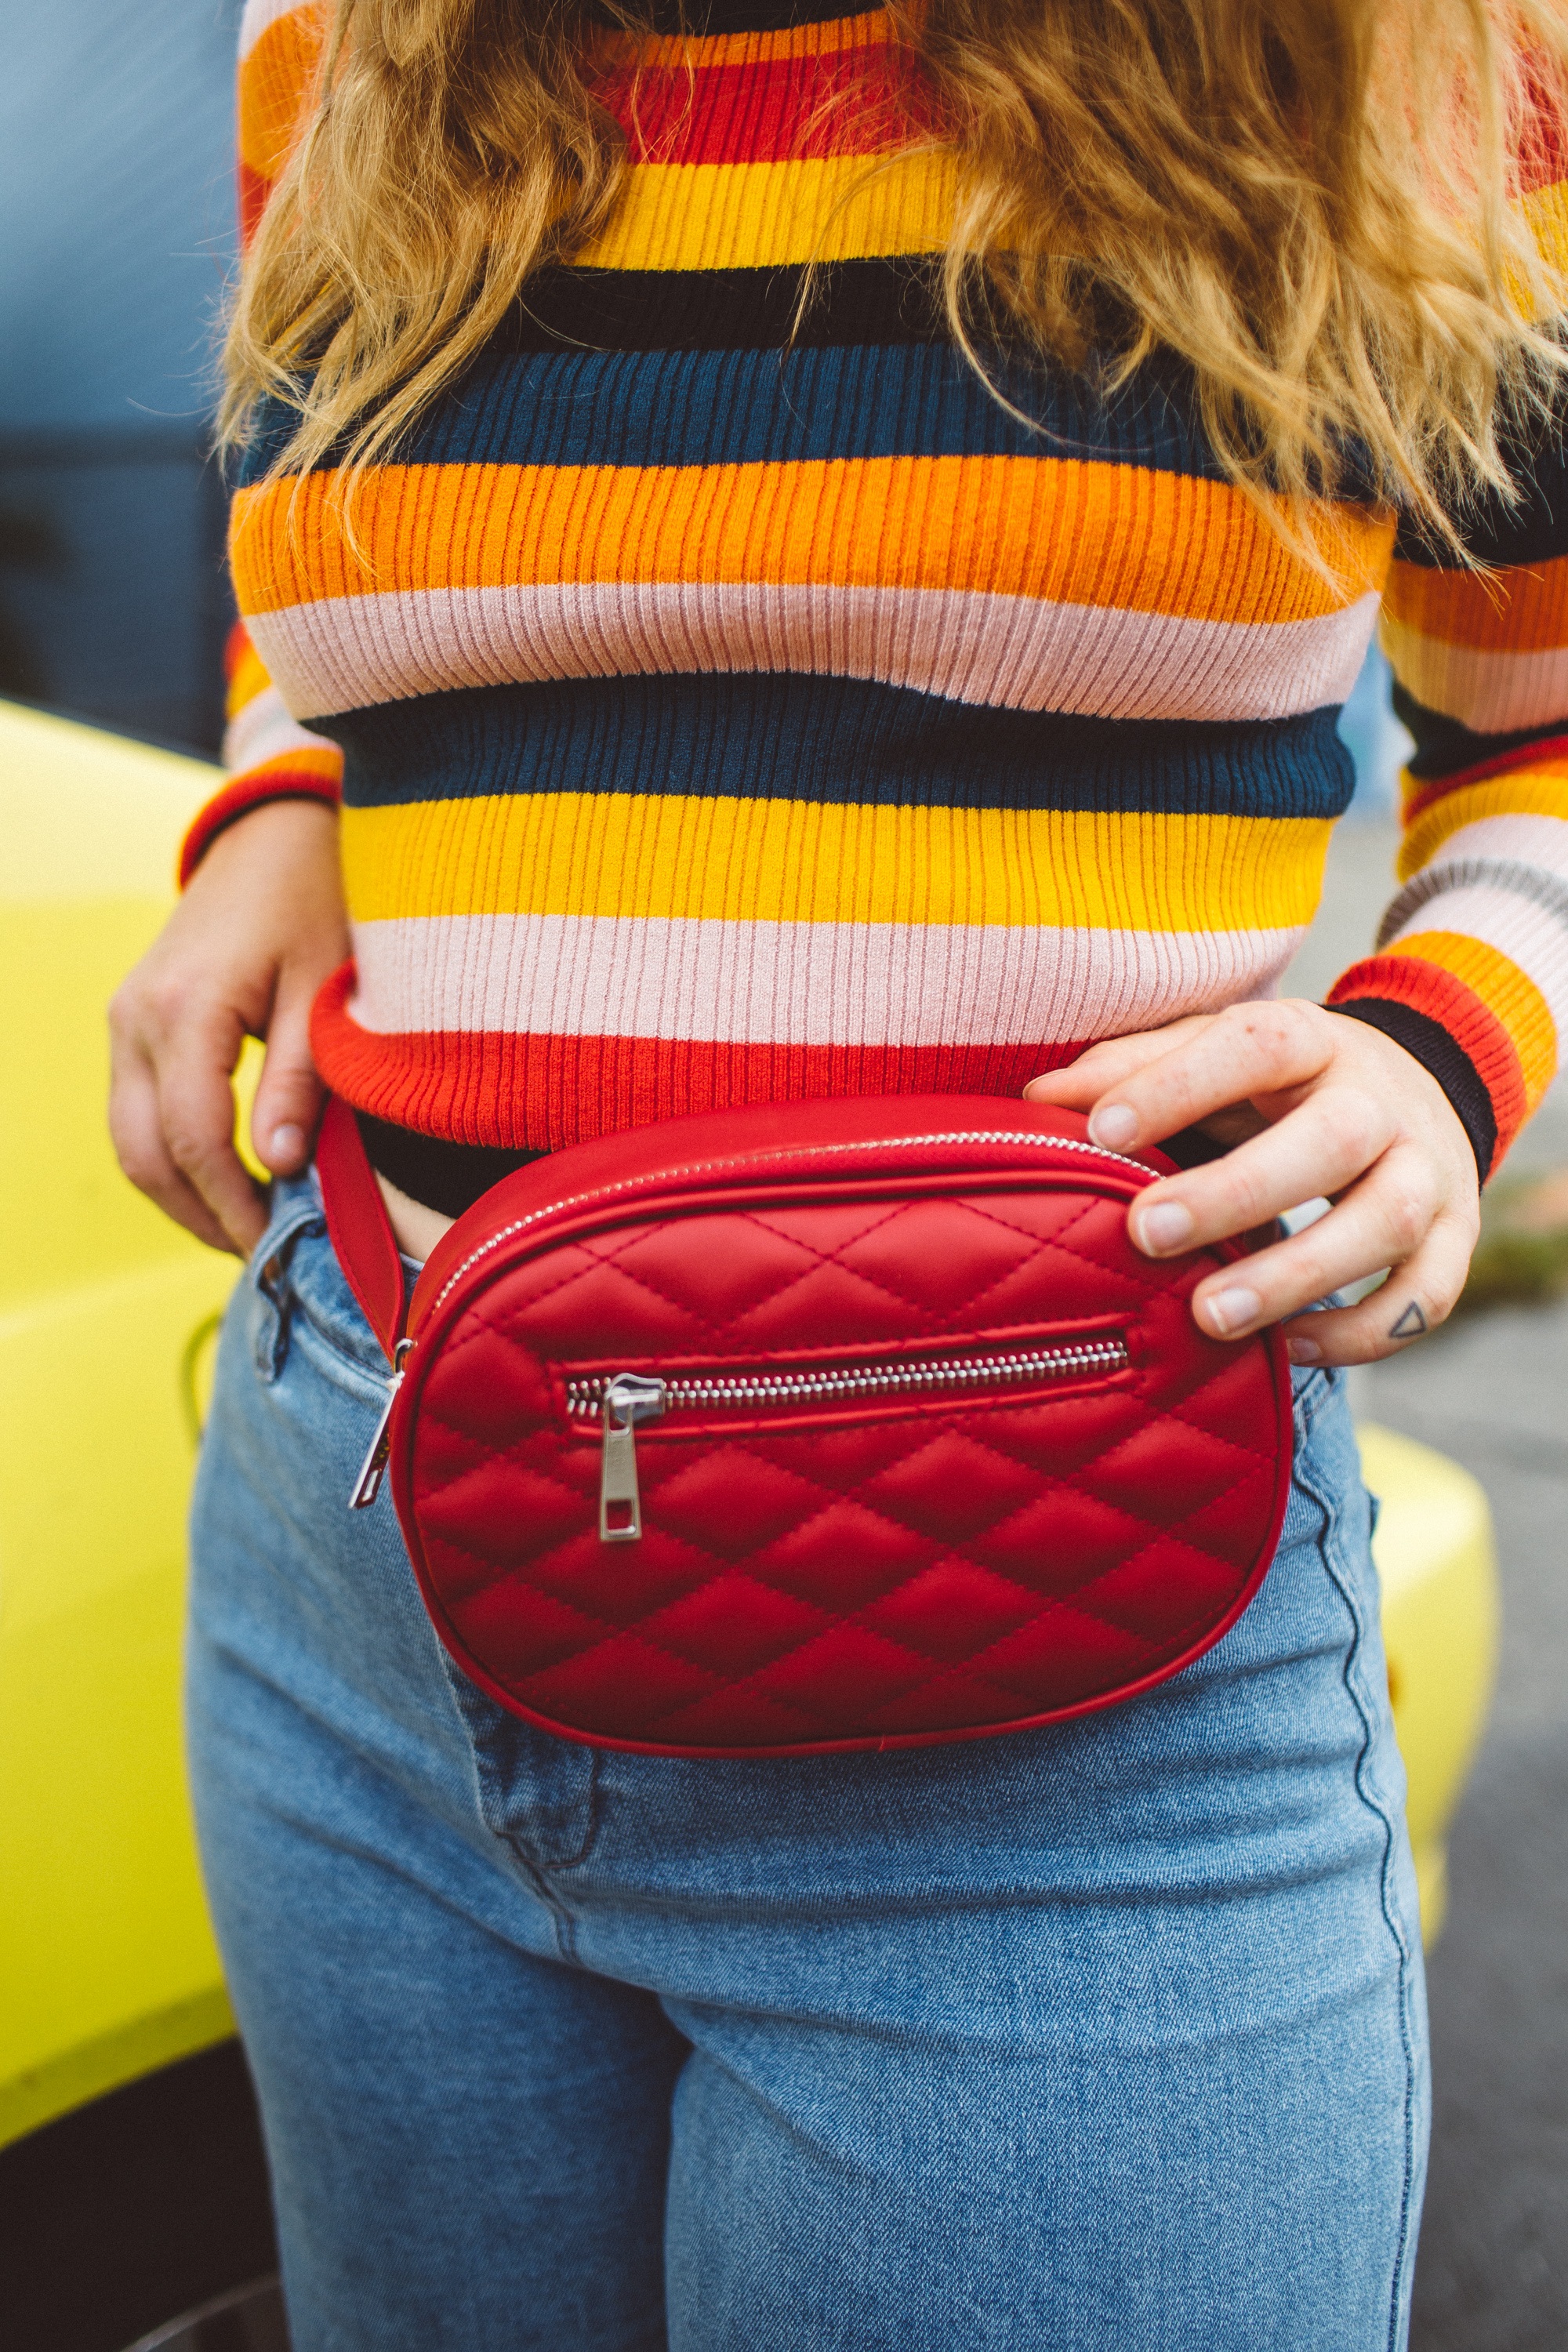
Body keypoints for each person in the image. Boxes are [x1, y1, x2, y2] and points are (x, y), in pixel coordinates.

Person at [108, 0, 1567, 2341]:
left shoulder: (1388, 57)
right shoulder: (346, 41)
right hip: (360, 1555)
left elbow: (1542, 714)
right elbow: (332, 578)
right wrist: (281, 804)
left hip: (1057, 1657)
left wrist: (1443, 1048)